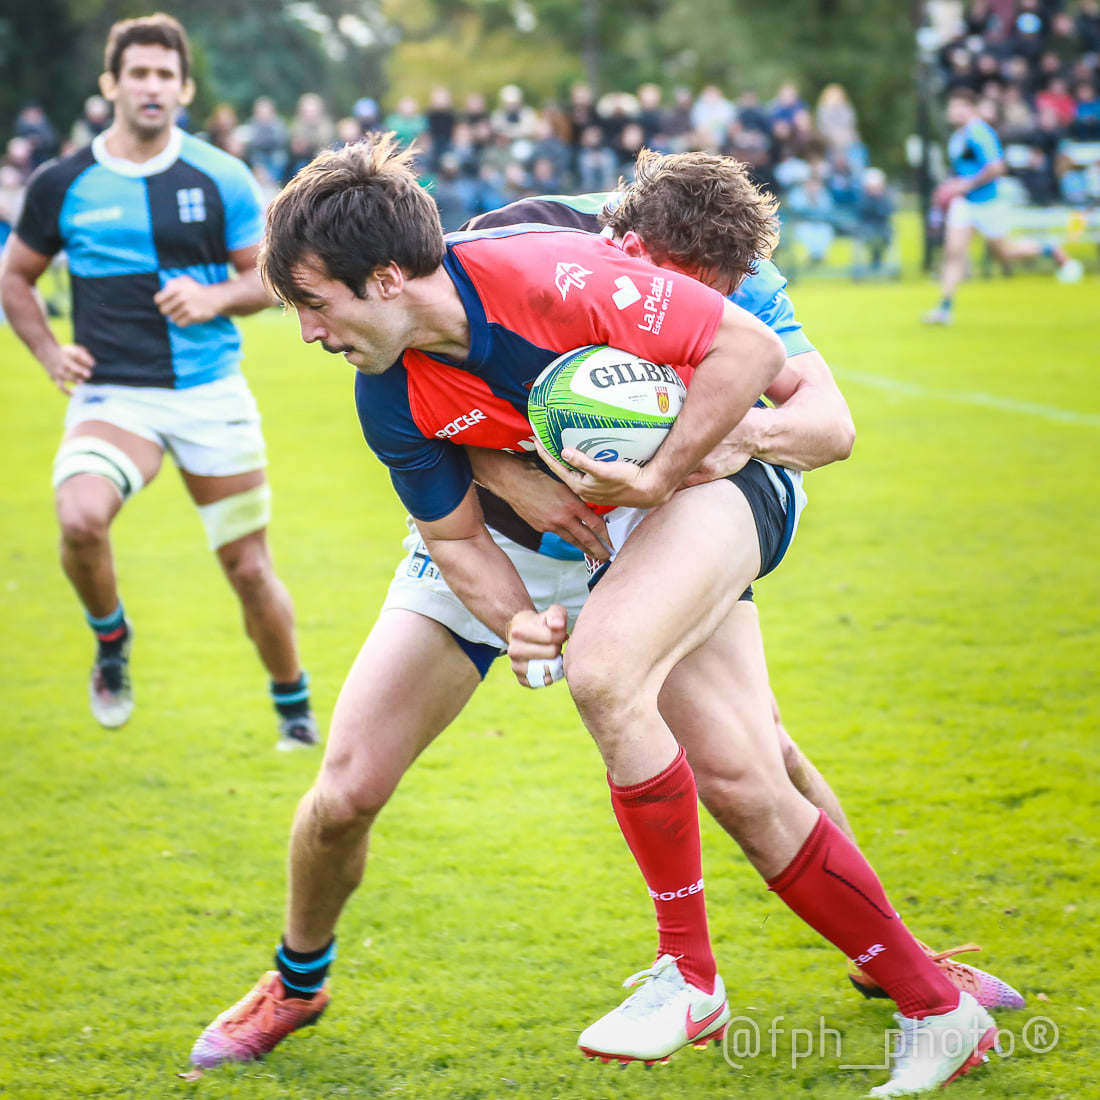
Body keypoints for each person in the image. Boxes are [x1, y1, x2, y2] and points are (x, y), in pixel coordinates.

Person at [193, 141, 1015, 1094]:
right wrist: (514, 510)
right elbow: (451, 482)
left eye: (311, 309)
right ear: (622, 237)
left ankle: (888, 966)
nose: (305, 332)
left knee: (754, 764)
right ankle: (297, 982)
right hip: (503, 540)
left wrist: (681, 444)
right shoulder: (519, 255)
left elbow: (816, 420)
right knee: (344, 793)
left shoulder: (732, 273)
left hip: (654, 524)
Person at [0, 14, 317, 748]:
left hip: (209, 394)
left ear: (184, 88)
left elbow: (271, 280)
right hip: (115, 397)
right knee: (79, 519)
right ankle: (111, 641)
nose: (151, 86)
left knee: (246, 565)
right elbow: (16, 276)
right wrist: (50, 352)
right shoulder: (63, 182)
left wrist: (213, 298)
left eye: (164, 75)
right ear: (110, 83)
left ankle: (292, 704)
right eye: (137, 73)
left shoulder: (220, 175)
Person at [923, 87, 1083, 324]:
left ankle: (1050, 248)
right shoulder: (958, 136)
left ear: (971, 109)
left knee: (1005, 254)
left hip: (988, 203)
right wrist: (950, 186)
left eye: (960, 107)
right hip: (966, 204)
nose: (954, 111)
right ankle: (944, 309)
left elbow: (997, 168)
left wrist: (965, 185)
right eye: (952, 106)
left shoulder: (980, 133)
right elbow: (963, 171)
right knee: (953, 252)